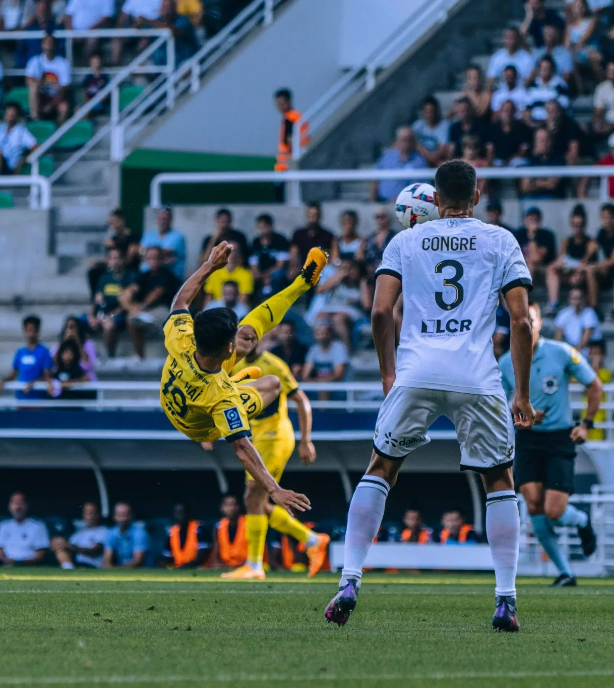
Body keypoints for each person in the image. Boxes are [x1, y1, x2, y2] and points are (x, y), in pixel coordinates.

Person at [324, 159, 535, 633]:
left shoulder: (405, 241)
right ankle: (505, 599)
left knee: (381, 469)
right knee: (499, 480)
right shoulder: (500, 240)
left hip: (416, 372)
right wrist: (520, 393)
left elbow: (380, 312)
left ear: (434, 200)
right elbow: (521, 322)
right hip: (477, 375)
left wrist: (388, 373)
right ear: (476, 197)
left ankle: (349, 580)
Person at [159, 241, 328, 514]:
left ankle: (303, 282)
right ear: (229, 349)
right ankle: (239, 382)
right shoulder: (223, 400)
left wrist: (210, 265)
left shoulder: (182, 338)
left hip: (181, 392)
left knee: (249, 332)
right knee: (273, 384)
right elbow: (241, 448)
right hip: (200, 426)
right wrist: (275, 489)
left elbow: (180, 301)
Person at [499, 302, 601, 587]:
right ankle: (565, 572)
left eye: (531, 320)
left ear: (540, 323)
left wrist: (586, 425)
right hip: (529, 439)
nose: (526, 325)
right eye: (522, 320)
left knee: (554, 512)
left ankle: (582, 522)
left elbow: (595, 386)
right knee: (533, 506)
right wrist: (520, 410)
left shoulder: (562, 352)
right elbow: (499, 402)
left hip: (559, 438)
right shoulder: (506, 362)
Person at [218, 345, 328, 580]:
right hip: (253, 438)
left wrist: (306, 439)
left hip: (275, 436)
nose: (244, 343)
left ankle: (255, 565)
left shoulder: (274, 365)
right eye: (240, 337)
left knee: (252, 497)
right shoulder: (231, 363)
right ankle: (312, 540)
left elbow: (301, 400)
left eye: (249, 338)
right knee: (257, 502)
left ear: (257, 339)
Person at [122, 246, 180, 360]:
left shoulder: (167, 275)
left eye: (156, 257)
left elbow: (157, 292)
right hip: (146, 311)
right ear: (146, 260)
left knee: (139, 317)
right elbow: (127, 293)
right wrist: (131, 307)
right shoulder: (143, 276)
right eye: (150, 257)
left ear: (162, 259)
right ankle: (139, 356)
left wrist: (142, 306)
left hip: (164, 310)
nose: (153, 260)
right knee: (131, 319)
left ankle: (156, 326)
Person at [545, 205, 598, 314]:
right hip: (570, 273)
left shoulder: (591, 243)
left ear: (584, 225)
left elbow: (586, 262)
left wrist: (576, 270)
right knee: (551, 268)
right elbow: (559, 260)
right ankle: (553, 303)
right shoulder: (567, 241)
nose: (577, 228)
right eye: (574, 225)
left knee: (584, 272)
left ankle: (593, 306)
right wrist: (564, 266)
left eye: (579, 225)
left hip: (584, 275)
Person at [89, 248, 137, 357]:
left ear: (123, 259)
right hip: (103, 313)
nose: (115, 261)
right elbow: (97, 299)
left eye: (118, 258)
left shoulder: (130, 276)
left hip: (119, 315)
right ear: (108, 261)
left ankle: (110, 356)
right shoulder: (104, 278)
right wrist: (91, 316)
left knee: (108, 326)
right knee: (76, 322)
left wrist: (109, 316)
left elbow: (127, 304)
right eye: (112, 258)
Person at [0, 315, 53, 400]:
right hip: (21, 397)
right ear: (24, 331)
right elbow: (12, 375)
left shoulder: (44, 352)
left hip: (37, 399)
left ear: (38, 331)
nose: (31, 333)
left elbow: (47, 376)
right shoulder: (20, 352)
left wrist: (33, 383)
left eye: (33, 330)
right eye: (28, 330)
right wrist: (3, 381)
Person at [370, 126, 427, 202]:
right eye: (403, 139)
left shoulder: (419, 161)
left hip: (407, 205)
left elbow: (423, 188)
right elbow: (374, 179)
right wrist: (373, 200)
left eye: (409, 139)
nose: (406, 143)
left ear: (413, 142)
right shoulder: (387, 157)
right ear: (397, 141)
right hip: (383, 202)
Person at [25, 33, 71, 124]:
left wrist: (52, 104)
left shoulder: (63, 63)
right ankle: (36, 119)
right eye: (47, 42)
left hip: (56, 97)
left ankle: (58, 132)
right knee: (33, 87)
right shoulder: (35, 61)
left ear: (55, 45)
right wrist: (45, 83)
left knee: (64, 108)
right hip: (40, 96)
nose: (49, 45)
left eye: (51, 42)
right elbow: (28, 81)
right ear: (42, 44)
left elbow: (64, 88)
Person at [51, 502, 108, 569]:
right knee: (60, 549)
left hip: (93, 566)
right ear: (83, 515)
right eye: (87, 513)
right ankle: (69, 570)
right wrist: (58, 543)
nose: (90, 516)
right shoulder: (79, 533)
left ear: (98, 514)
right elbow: (68, 546)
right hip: (78, 565)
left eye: (92, 512)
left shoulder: (104, 531)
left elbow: (94, 550)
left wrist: (70, 546)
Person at [0, 492, 49, 566]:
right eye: (15, 503)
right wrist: (6, 560)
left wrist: (19, 562)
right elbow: (0, 549)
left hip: (31, 567)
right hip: (7, 565)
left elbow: (40, 554)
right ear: (9, 506)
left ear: (27, 505)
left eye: (20, 503)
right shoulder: (3, 525)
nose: (18, 507)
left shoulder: (38, 526)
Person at [248, 213, 290, 299]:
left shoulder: (280, 240)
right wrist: (258, 274)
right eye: (260, 227)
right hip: (261, 273)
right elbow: (253, 263)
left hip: (275, 272)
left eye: (265, 226)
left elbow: (280, 264)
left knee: (278, 276)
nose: (263, 230)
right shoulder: (255, 242)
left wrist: (267, 274)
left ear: (271, 226)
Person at [289, 204, 335, 277]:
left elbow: (326, 257)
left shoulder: (327, 235)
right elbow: (293, 254)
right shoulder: (298, 234)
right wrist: (293, 268)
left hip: (319, 270)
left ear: (319, 216)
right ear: (307, 216)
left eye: (315, 215)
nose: (312, 218)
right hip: (301, 268)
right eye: (310, 215)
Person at [140, 207, 186, 280]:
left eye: (165, 219)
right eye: (160, 219)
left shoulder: (178, 236)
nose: (162, 221)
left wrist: (148, 253)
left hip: (170, 278)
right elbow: (140, 252)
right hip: (148, 276)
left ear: (170, 220)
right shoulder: (148, 235)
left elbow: (165, 252)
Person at [520, 128, 566, 199]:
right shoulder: (530, 161)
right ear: (535, 143)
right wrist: (544, 182)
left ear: (551, 141)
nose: (543, 143)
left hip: (553, 199)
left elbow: (552, 184)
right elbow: (525, 187)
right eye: (540, 140)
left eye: (546, 140)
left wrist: (534, 183)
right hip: (532, 198)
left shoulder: (559, 160)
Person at [513, 207, 557, 281]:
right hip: (524, 266)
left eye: (535, 219)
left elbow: (536, 259)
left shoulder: (547, 235)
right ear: (525, 220)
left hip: (543, 267)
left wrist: (532, 236)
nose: (532, 221)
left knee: (530, 267)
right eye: (530, 219)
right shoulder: (519, 234)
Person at [203, 241, 254, 306]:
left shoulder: (246, 274)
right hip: (217, 307)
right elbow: (208, 297)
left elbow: (243, 299)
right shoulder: (214, 273)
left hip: (236, 308)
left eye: (235, 251)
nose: (232, 254)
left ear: (240, 254)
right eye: (228, 251)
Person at [554, 288, 602, 353]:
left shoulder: (590, 313)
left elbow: (586, 337)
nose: (577, 302)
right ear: (569, 299)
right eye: (574, 298)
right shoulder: (563, 314)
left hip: (588, 349)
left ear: (584, 299)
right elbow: (558, 337)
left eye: (579, 298)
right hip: (569, 348)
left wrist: (574, 352)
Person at [524, 57, 571, 124]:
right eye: (542, 68)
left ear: (552, 70)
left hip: (554, 123)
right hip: (535, 123)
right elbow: (527, 107)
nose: (544, 70)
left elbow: (564, 106)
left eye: (547, 68)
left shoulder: (560, 85)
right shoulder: (533, 85)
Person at [103, 502, 150, 568]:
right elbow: (106, 561)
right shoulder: (111, 533)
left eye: (126, 514)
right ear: (114, 516)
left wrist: (115, 569)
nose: (123, 518)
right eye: (119, 515)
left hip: (142, 571)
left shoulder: (140, 533)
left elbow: (138, 562)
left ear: (132, 515)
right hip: (119, 571)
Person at [160, 503, 208, 568]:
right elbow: (167, 556)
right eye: (177, 512)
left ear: (188, 513)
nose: (179, 515)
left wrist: (185, 566)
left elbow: (202, 556)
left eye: (182, 512)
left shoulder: (198, 528)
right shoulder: (172, 531)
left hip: (197, 567)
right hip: (178, 567)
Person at [486, 100, 532, 166]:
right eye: (505, 111)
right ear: (500, 112)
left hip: (515, 161)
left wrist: (510, 160)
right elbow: (490, 150)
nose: (508, 113)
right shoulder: (493, 129)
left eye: (510, 110)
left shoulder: (522, 128)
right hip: (498, 161)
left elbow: (523, 150)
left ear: (514, 112)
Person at [273, 87, 309, 173]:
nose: (280, 107)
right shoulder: (298, 116)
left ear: (289, 101)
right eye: (278, 104)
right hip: (291, 162)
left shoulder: (290, 118)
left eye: (282, 104)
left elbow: (290, 140)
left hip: (286, 165)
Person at [53, 315, 97, 381]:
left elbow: (88, 364)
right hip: (64, 379)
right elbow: (54, 364)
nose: (70, 330)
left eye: (73, 327)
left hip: (84, 379)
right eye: (68, 327)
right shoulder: (57, 346)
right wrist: (64, 342)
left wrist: (77, 341)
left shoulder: (88, 344)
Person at [587, 203, 614, 309]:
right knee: (588, 271)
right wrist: (584, 264)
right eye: (603, 217)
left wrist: (596, 265)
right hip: (605, 269)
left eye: (609, 217)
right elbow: (591, 250)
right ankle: (594, 307)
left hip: (611, 269)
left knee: (592, 268)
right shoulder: (601, 233)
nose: (606, 220)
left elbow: (612, 261)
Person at [209, 496, 247, 569]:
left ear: (239, 507)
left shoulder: (248, 523)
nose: (231, 508)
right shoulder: (219, 526)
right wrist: (217, 564)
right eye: (227, 505)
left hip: (246, 565)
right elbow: (215, 552)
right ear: (221, 508)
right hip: (225, 566)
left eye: (234, 505)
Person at [0, 101, 37, 174]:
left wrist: (23, 160)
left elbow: (36, 147)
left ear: (17, 116)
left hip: (12, 166)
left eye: (12, 114)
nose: (10, 116)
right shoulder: (1, 129)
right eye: (8, 114)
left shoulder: (21, 131)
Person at [411, 96, 450, 167]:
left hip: (437, 158)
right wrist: (427, 155)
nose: (429, 115)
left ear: (436, 111)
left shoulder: (444, 125)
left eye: (432, 111)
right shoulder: (418, 125)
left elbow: (443, 148)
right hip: (421, 157)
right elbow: (412, 142)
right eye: (427, 112)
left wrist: (431, 158)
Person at [584, 340, 611, 440]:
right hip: (585, 411)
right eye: (592, 353)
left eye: (597, 354)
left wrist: (596, 365)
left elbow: (594, 380)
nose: (594, 357)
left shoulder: (606, 372)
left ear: (603, 355)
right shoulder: (582, 371)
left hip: (600, 414)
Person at [593, 61, 614, 136]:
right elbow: (598, 112)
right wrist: (598, 125)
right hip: (609, 126)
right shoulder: (602, 88)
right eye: (609, 70)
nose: (611, 73)